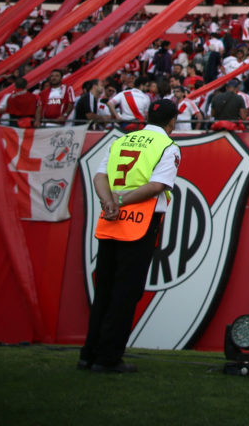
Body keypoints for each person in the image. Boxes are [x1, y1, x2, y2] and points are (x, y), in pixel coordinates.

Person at [79, 98, 180, 373]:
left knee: (104, 288)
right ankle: (108, 357)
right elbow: (157, 185)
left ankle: (89, 353)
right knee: (126, 291)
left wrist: (109, 203)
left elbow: (100, 177)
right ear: (172, 121)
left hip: (110, 220)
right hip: (140, 222)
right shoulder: (167, 146)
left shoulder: (123, 140)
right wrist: (122, 203)